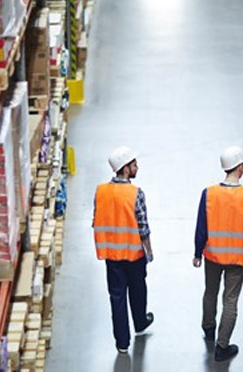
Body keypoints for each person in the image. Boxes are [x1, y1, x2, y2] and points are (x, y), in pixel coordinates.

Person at [192, 146, 243, 362]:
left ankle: (208, 327)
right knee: (230, 300)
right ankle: (222, 346)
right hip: (238, 258)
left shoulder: (209, 194)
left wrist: (197, 253)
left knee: (210, 292)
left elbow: (201, 229)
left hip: (213, 255)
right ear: (240, 168)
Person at [92, 146, 154, 354]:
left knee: (117, 297)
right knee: (138, 290)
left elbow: (97, 220)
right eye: (134, 164)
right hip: (134, 254)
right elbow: (143, 227)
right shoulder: (136, 193)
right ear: (125, 169)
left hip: (111, 255)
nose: (137, 167)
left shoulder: (101, 191)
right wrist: (149, 251)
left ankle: (122, 342)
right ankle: (140, 321)